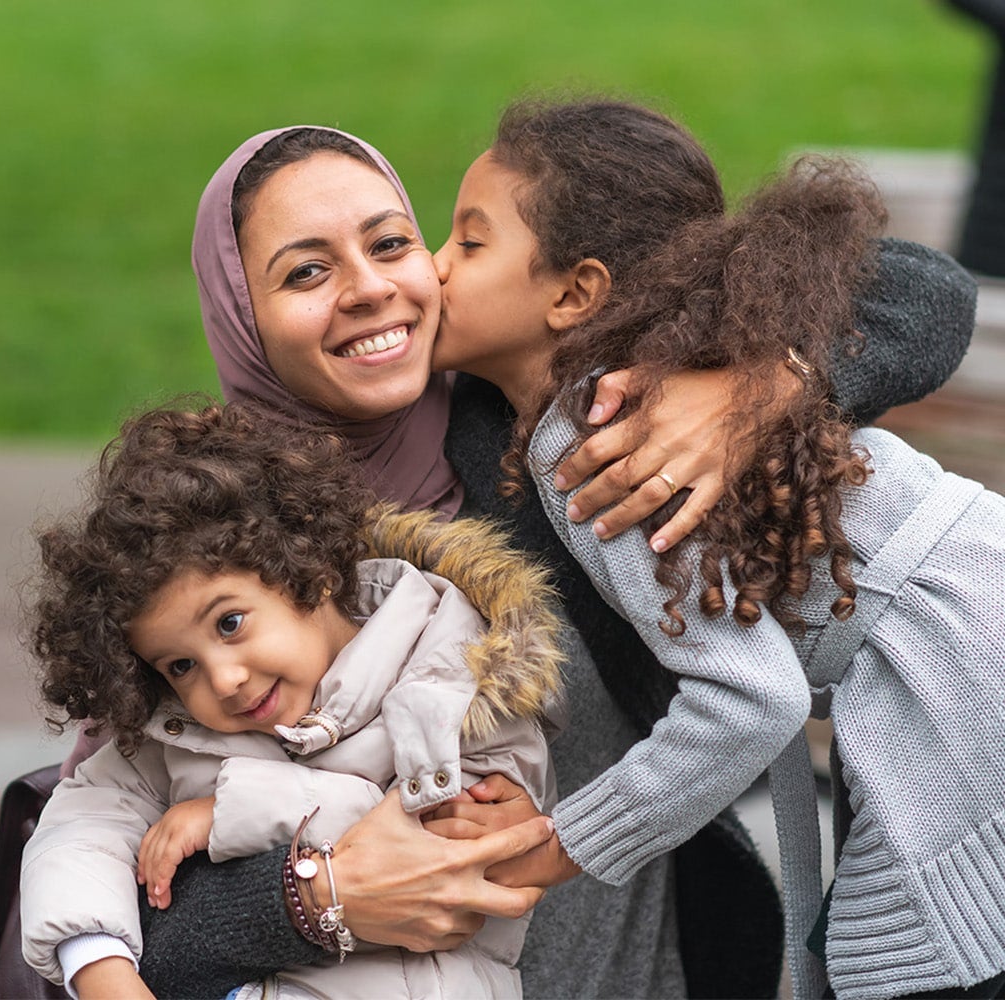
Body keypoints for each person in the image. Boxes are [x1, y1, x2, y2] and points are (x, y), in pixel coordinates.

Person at [112, 122, 979, 1000]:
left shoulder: (544, 421)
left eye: (392, 244)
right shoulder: (213, 539)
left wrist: (762, 385)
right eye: (307, 271)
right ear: (238, 311)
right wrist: (317, 897)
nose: (373, 288)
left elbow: (921, 290)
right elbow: (125, 903)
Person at [428, 98, 1005, 1000]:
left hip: (958, 663)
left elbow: (750, 700)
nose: (434, 268)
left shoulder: (590, 437)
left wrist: (565, 844)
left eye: (468, 243)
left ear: (575, 292)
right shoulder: (683, 348)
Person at [18, 402, 564, 999]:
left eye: (229, 623)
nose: (222, 680)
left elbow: (443, 843)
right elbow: (79, 829)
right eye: (180, 665)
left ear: (311, 568)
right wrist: (99, 968)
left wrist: (227, 813)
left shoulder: (454, 670)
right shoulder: (178, 731)